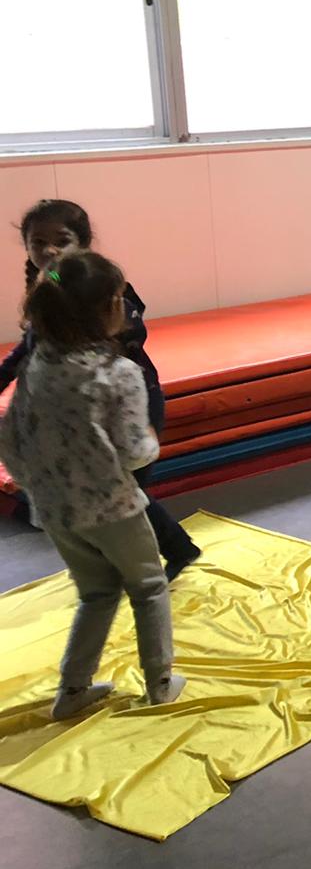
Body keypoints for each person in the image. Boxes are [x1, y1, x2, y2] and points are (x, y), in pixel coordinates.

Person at [0, 251, 186, 719]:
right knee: (148, 586)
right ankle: (160, 682)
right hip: (113, 508)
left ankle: (72, 689)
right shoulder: (118, 374)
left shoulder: (36, 365)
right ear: (109, 309)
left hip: (55, 511)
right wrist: (150, 440)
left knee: (96, 593)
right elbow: (134, 451)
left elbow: (10, 435)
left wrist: (34, 485)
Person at [2, 199, 201, 580]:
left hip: (129, 399)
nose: (49, 250)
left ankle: (160, 560)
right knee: (115, 492)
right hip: (82, 407)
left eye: (61, 240)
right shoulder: (47, 292)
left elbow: (129, 341)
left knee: (124, 491)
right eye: (38, 242)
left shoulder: (103, 288)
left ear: (83, 241)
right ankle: (156, 555)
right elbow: (27, 347)